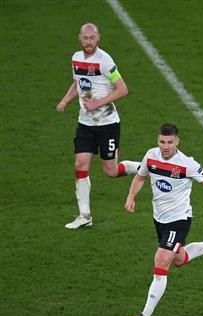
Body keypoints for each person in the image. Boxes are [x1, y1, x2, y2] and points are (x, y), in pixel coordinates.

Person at [125, 123, 203, 316]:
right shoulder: (151, 156)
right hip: (159, 220)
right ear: (158, 140)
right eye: (162, 141)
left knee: (161, 261)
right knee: (179, 259)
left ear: (177, 141)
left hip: (179, 220)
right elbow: (140, 176)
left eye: (170, 142)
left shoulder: (187, 164)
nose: (165, 146)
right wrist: (131, 197)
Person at [56, 23, 140, 229]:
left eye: (92, 38)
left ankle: (145, 168)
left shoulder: (104, 60)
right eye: (85, 38)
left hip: (107, 124)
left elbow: (122, 89)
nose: (88, 42)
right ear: (79, 37)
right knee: (80, 165)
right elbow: (77, 82)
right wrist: (65, 100)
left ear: (98, 38)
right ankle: (85, 216)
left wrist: (97, 103)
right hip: (85, 123)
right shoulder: (76, 58)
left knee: (110, 171)